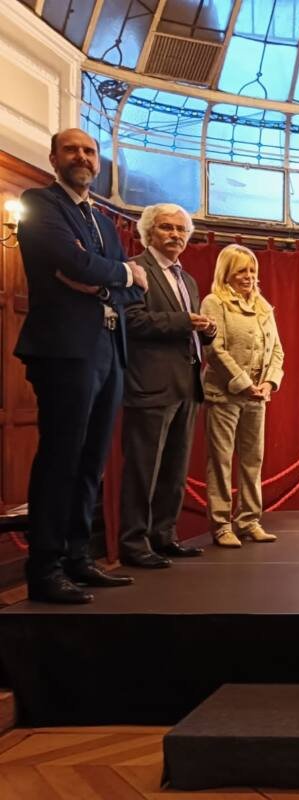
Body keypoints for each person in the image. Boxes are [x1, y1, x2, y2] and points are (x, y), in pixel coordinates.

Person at [15, 128, 149, 603]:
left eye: (89, 151)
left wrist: (105, 281)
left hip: (109, 348)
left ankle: (78, 557)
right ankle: (45, 568)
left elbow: (134, 289)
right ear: (54, 158)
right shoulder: (40, 204)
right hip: (65, 350)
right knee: (62, 458)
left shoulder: (104, 223)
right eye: (71, 149)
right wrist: (120, 273)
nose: (82, 157)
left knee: (92, 461)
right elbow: (71, 264)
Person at [119, 203, 216, 568]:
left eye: (181, 229)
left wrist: (208, 331)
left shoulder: (186, 279)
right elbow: (132, 321)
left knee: (175, 469)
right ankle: (134, 543)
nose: (175, 235)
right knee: (143, 469)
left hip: (187, 384)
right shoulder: (135, 269)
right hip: (149, 385)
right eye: (166, 228)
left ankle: (164, 535)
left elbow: (188, 330)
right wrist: (184, 322)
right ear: (148, 233)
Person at [200, 245, 285, 548]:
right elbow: (214, 349)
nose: (248, 276)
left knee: (253, 460)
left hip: (258, 396)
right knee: (221, 460)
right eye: (241, 271)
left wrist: (269, 383)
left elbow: (277, 350)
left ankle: (249, 520)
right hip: (224, 395)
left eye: (252, 270)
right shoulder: (214, 302)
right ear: (227, 273)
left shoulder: (263, 305)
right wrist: (244, 383)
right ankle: (221, 525)